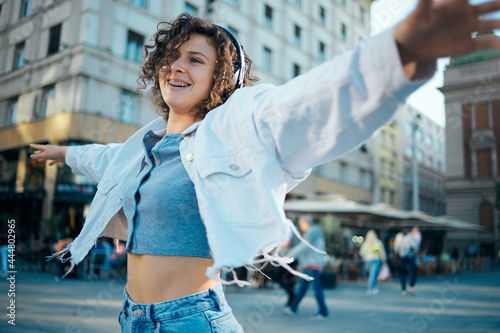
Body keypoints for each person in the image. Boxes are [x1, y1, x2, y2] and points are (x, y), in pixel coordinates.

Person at [29, 1, 500, 331]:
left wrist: (398, 50)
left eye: (196, 60)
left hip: (193, 320)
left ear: (218, 79)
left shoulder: (235, 128)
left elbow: (304, 106)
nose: (177, 67)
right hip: (132, 316)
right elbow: (104, 160)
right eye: (172, 57)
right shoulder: (143, 144)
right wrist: (64, 154)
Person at [281, 217, 328, 320]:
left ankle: (323, 312)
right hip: (309, 264)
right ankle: (292, 308)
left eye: (301, 224)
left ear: (306, 223)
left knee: (316, 289)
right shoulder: (313, 232)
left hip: (312, 264)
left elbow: (304, 246)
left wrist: (289, 256)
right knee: (302, 288)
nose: (301, 227)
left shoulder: (312, 231)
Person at [359, 230, 387, 296]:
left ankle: (374, 287)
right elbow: (379, 252)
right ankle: (370, 288)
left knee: (372, 275)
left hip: (367, 260)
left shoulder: (365, 244)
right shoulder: (377, 243)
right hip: (375, 260)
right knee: (373, 275)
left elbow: (362, 253)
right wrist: (383, 259)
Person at [394, 227, 419, 295]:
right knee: (403, 272)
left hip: (410, 256)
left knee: (414, 270)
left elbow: (415, 246)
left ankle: (410, 286)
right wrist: (397, 256)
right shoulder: (399, 236)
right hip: (403, 257)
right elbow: (396, 247)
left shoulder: (410, 236)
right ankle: (404, 288)